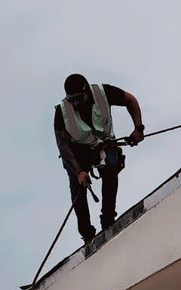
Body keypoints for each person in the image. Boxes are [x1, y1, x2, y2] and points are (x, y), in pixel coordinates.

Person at [54, 73, 144, 243]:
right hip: (77, 152)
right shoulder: (62, 111)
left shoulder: (103, 93)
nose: (76, 103)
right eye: (72, 100)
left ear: (87, 91)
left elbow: (130, 100)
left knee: (111, 167)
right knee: (77, 188)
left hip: (104, 144)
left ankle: (108, 221)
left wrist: (138, 128)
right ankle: (87, 234)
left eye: (79, 99)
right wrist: (79, 171)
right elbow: (63, 145)